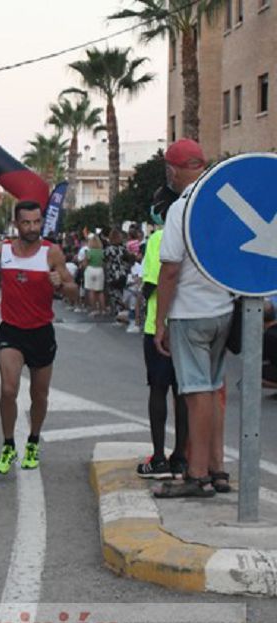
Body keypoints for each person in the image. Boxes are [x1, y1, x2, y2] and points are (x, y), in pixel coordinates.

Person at [153, 139, 232, 498]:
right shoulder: (222, 202)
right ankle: (217, 468)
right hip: (224, 310)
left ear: (173, 170)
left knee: (196, 394)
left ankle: (197, 473)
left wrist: (160, 322)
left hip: (190, 311)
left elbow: (169, 270)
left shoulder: (182, 207)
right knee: (213, 391)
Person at [0, 200, 79, 474]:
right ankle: (7, 445)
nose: (32, 227)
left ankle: (34, 441)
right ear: (16, 224)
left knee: (39, 395)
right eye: (26, 222)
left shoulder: (52, 252)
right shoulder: (3, 250)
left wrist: (62, 284)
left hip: (41, 332)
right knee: (8, 390)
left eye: (37, 222)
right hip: (11, 330)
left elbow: (74, 291)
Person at [136, 185, 188, 480]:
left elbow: (153, 281)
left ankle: (157, 457)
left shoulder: (159, 237)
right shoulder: (192, 233)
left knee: (158, 389)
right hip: (187, 320)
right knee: (182, 393)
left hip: (158, 323)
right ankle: (180, 456)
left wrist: (143, 305)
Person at [82, 233, 106, 316]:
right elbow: (103, 263)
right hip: (99, 270)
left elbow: (85, 262)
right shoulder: (101, 252)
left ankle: (94, 309)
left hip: (91, 269)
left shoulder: (89, 252)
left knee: (91, 290)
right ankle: (103, 309)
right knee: (100, 291)